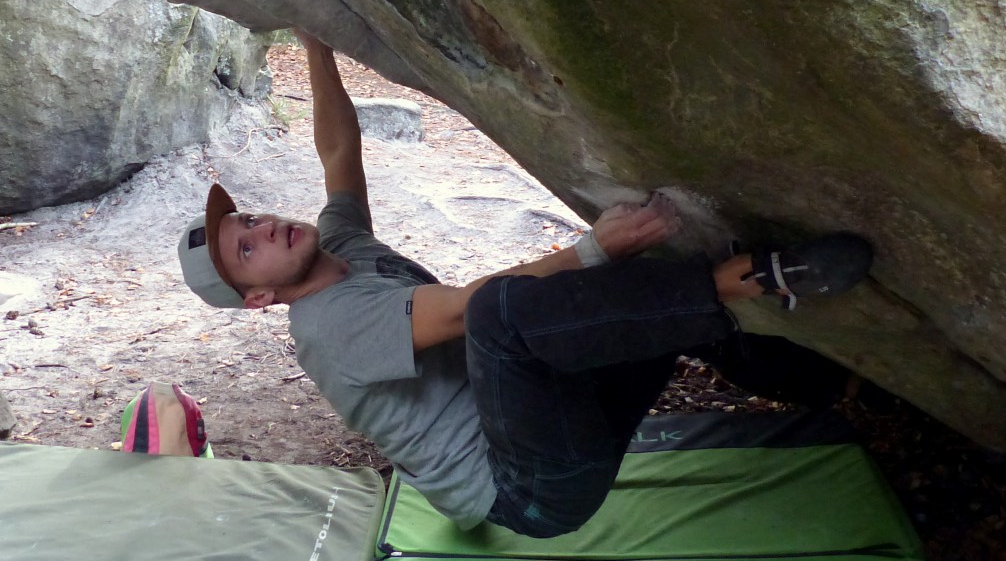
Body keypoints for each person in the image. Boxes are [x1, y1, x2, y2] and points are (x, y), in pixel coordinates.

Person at [176, 31, 873, 537]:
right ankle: (748, 276)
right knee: (506, 312)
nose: (263, 227)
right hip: (531, 492)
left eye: (250, 216)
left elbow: (337, 152)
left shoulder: (340, 245)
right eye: (246, 248)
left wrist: (316, 43)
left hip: (566, 425)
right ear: (260, 298)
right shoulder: (329, 330)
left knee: (623, 303)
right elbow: (472, 311)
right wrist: (590, 246)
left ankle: (811, 375)